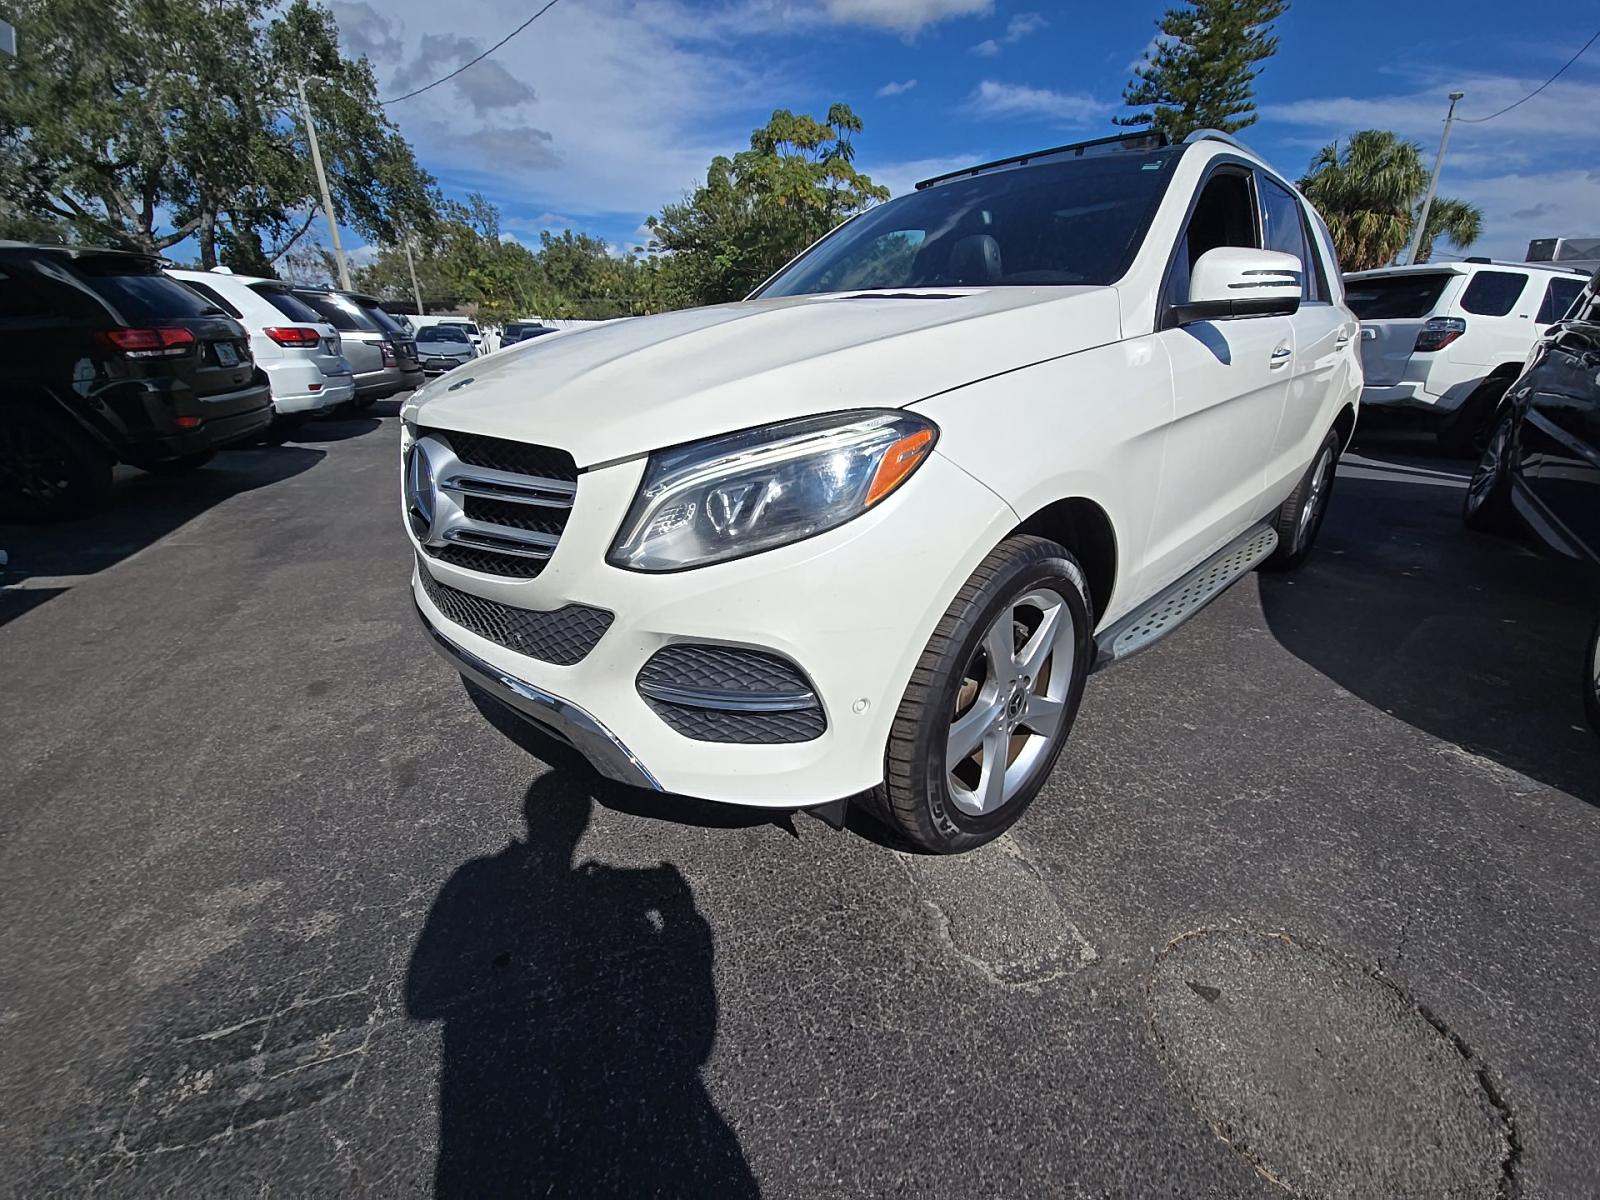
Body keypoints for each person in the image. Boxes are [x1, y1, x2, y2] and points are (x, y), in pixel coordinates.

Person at [406, 771, 755, 1196]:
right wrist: (682, 916)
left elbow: (422, 998)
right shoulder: (485, 881)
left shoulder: (475, 879)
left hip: (497, 1126)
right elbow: (697, 1035)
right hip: (600, 1108)